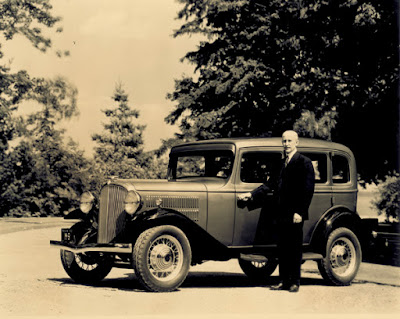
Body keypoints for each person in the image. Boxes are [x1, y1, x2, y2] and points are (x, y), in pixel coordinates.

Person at [238, 130, 315, 293]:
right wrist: (251, 195)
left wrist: (300, 212)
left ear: (296, 142)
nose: (286, 144)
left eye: (289, 141)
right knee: (282, 249)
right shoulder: (280, 163)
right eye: (284, 141)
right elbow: (269, 185)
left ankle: (294, 282)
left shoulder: (304, 162)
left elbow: (307, 190)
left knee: (294, 249)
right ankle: (283, 281)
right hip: (280, 213)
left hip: (295, 213)